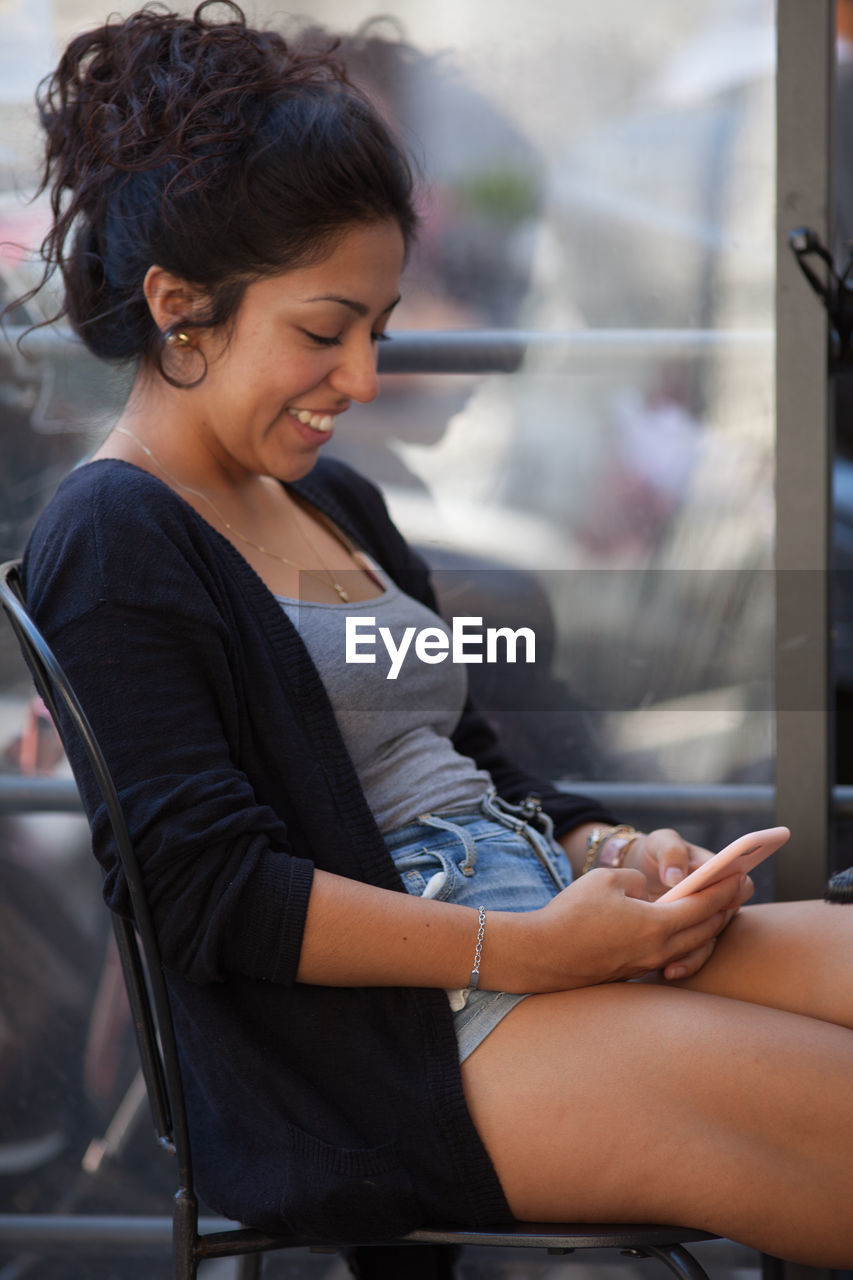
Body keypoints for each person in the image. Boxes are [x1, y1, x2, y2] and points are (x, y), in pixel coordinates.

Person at [8, 3, 853, 1267]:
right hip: (397, 1049)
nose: (360, 377)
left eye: (379, 329)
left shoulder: (328, 498)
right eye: (322, 329)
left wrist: (614, 847)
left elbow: (474, 759)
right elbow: (209, 894)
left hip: (528, 931)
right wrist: (526, 948)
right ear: (180, 306)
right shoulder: (112, 535)